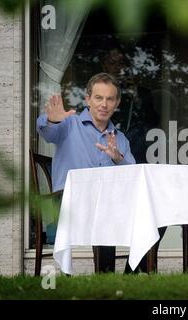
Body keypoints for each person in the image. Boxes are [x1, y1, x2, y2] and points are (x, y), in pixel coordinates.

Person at [37, 72, 136, 273]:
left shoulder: (120, 139)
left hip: (108, 204)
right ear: (87, 99)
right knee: (105, 208)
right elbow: (46, 131)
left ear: (117, 103)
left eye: (110, 99)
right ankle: (106, 274)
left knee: (152, 213)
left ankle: (130, 276)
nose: (104, 104)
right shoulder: (68, 124)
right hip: (69, 203)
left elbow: (133, 176)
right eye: (98, 98)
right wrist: (52, 120)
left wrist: (117, 157)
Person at [100, 44, 166, 273]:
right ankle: (106, 272)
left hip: (135, 158)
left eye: (121, 63)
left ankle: (135, 266)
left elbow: (154, 121)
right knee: (107, 214)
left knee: (158, 210)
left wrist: (136, 94)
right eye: (112, 61)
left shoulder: (141, 93)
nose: (117, 67)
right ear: (104, 65)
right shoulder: (100, 100)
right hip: (106, 172)